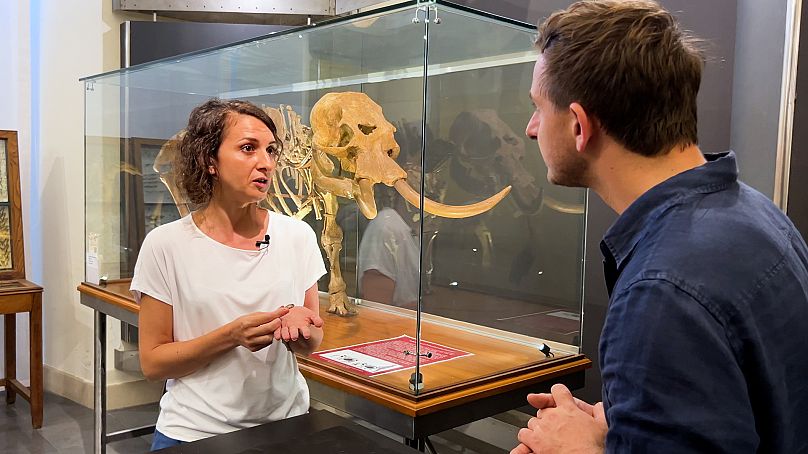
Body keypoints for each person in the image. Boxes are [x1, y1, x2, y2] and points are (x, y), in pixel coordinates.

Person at [514, 1, 808, 453]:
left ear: (579, 125)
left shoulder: (659, 292)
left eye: (538, 108)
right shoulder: (759, 215)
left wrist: (575, 449)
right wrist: (630, 425)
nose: (532, 128)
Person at [131, 98, 327, 450]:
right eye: (248, 149)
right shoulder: (166, 245)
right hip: (193, 431)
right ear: (210, 161)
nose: (265, 163)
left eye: (271, 150)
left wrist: (300, 327)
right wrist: (232, 335)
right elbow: (153, 362)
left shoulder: (298, 236)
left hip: (286, 426)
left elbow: (311, 344)